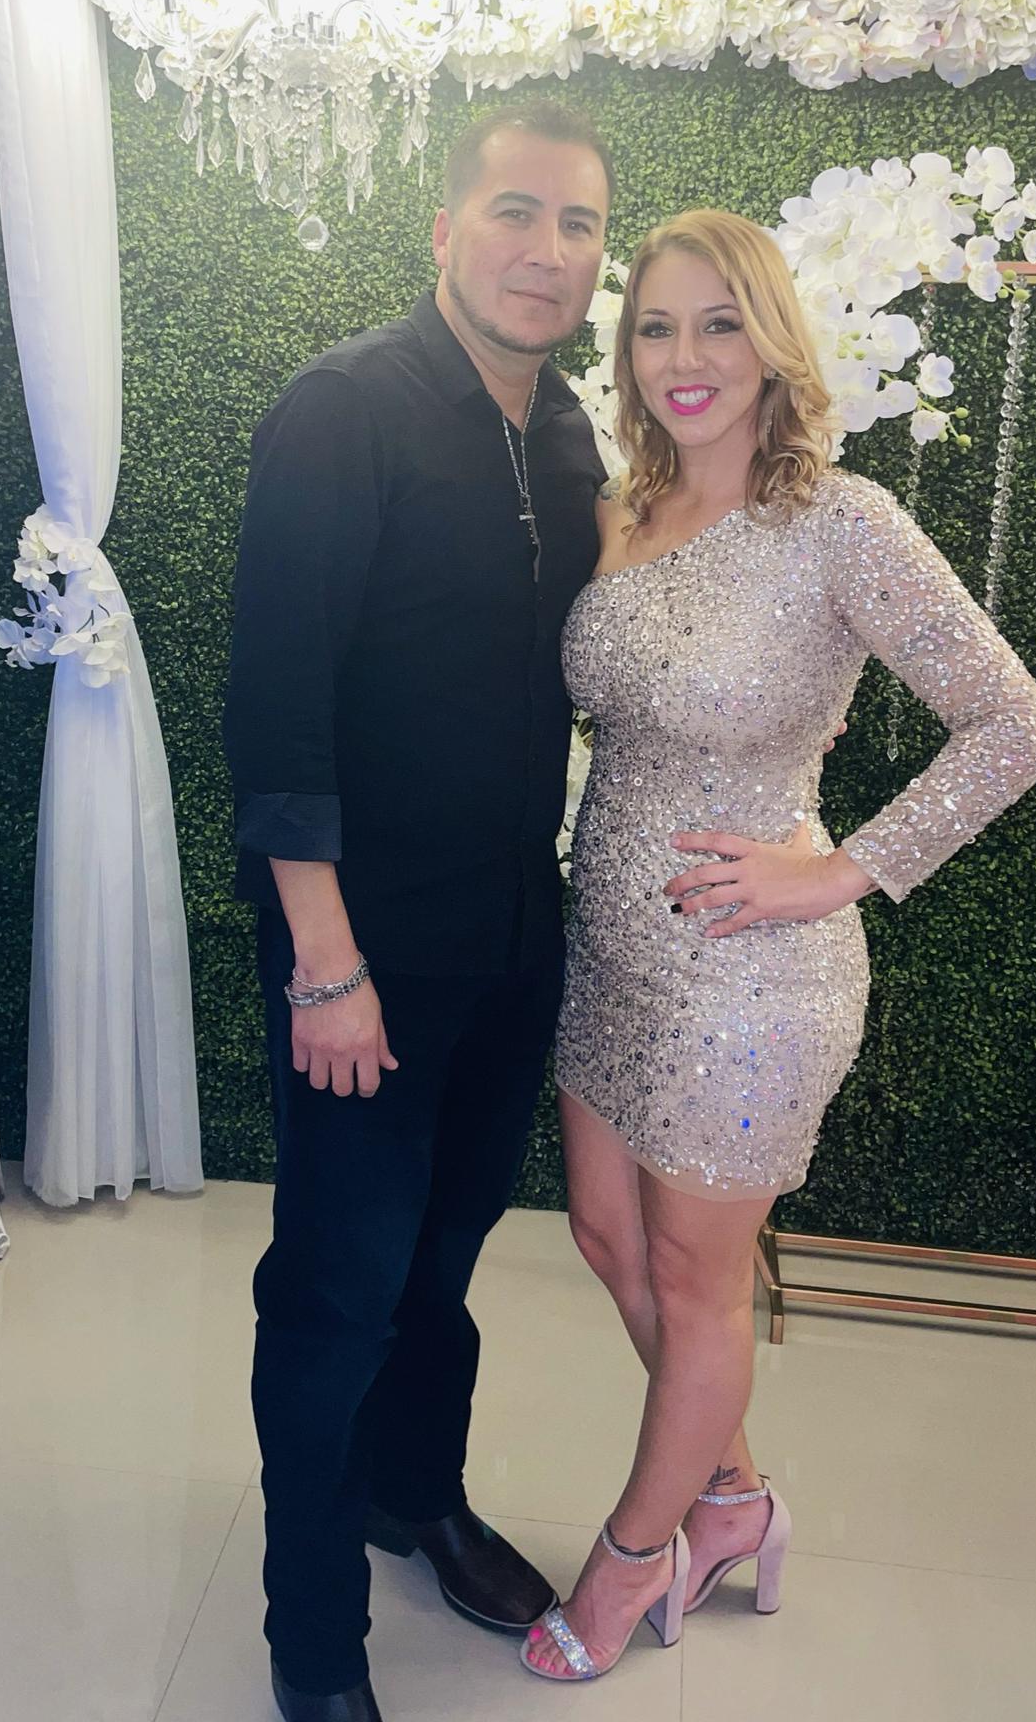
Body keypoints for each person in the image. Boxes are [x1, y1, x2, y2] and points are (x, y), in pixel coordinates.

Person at [521, 209, 1036, 1682]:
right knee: (607, 1241)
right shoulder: (620, 512)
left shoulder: (838, 520)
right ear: (626, 354)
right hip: (611, 951)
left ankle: (634, 1559)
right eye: (655, 327)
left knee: (698, 1283)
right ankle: (735, 1502)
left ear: (771, 343)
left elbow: (1013, 726)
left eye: (719, 323)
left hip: (751, 979)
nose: (684, 357)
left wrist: (843, 870)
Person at [222, 101, 616, 1722]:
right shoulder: (345, 409)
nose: (546, 251)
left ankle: (413, 1495)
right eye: (515, 212)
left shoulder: (569, 430)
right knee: (337, 1290)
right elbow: (275, 710)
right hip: (362, 949)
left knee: (440, 1264)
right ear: (445, 230)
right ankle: (313, 1632)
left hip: (514, 933)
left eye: (578, 224)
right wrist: (326, 969)